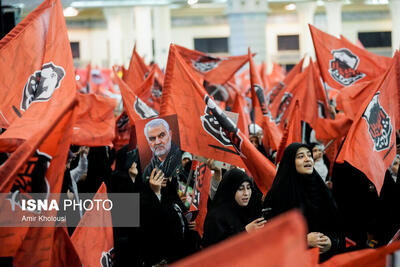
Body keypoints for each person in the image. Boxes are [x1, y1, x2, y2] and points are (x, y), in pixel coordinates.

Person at [263, 143, 345, 261]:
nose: (307, 159)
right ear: (291, 162)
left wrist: (331, 243)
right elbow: (269, 239)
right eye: (301, 156)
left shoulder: (322, 190)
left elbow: (339, 231)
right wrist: (303, 241)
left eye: (309, 155)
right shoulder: (277, 194)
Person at [202, 168, 266, 247]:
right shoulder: (216, 218)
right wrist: (245, 232)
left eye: (248, 188)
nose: (246, 193)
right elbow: (215, 250)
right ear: (230, 190)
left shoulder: (248, 210)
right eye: (240, 189)